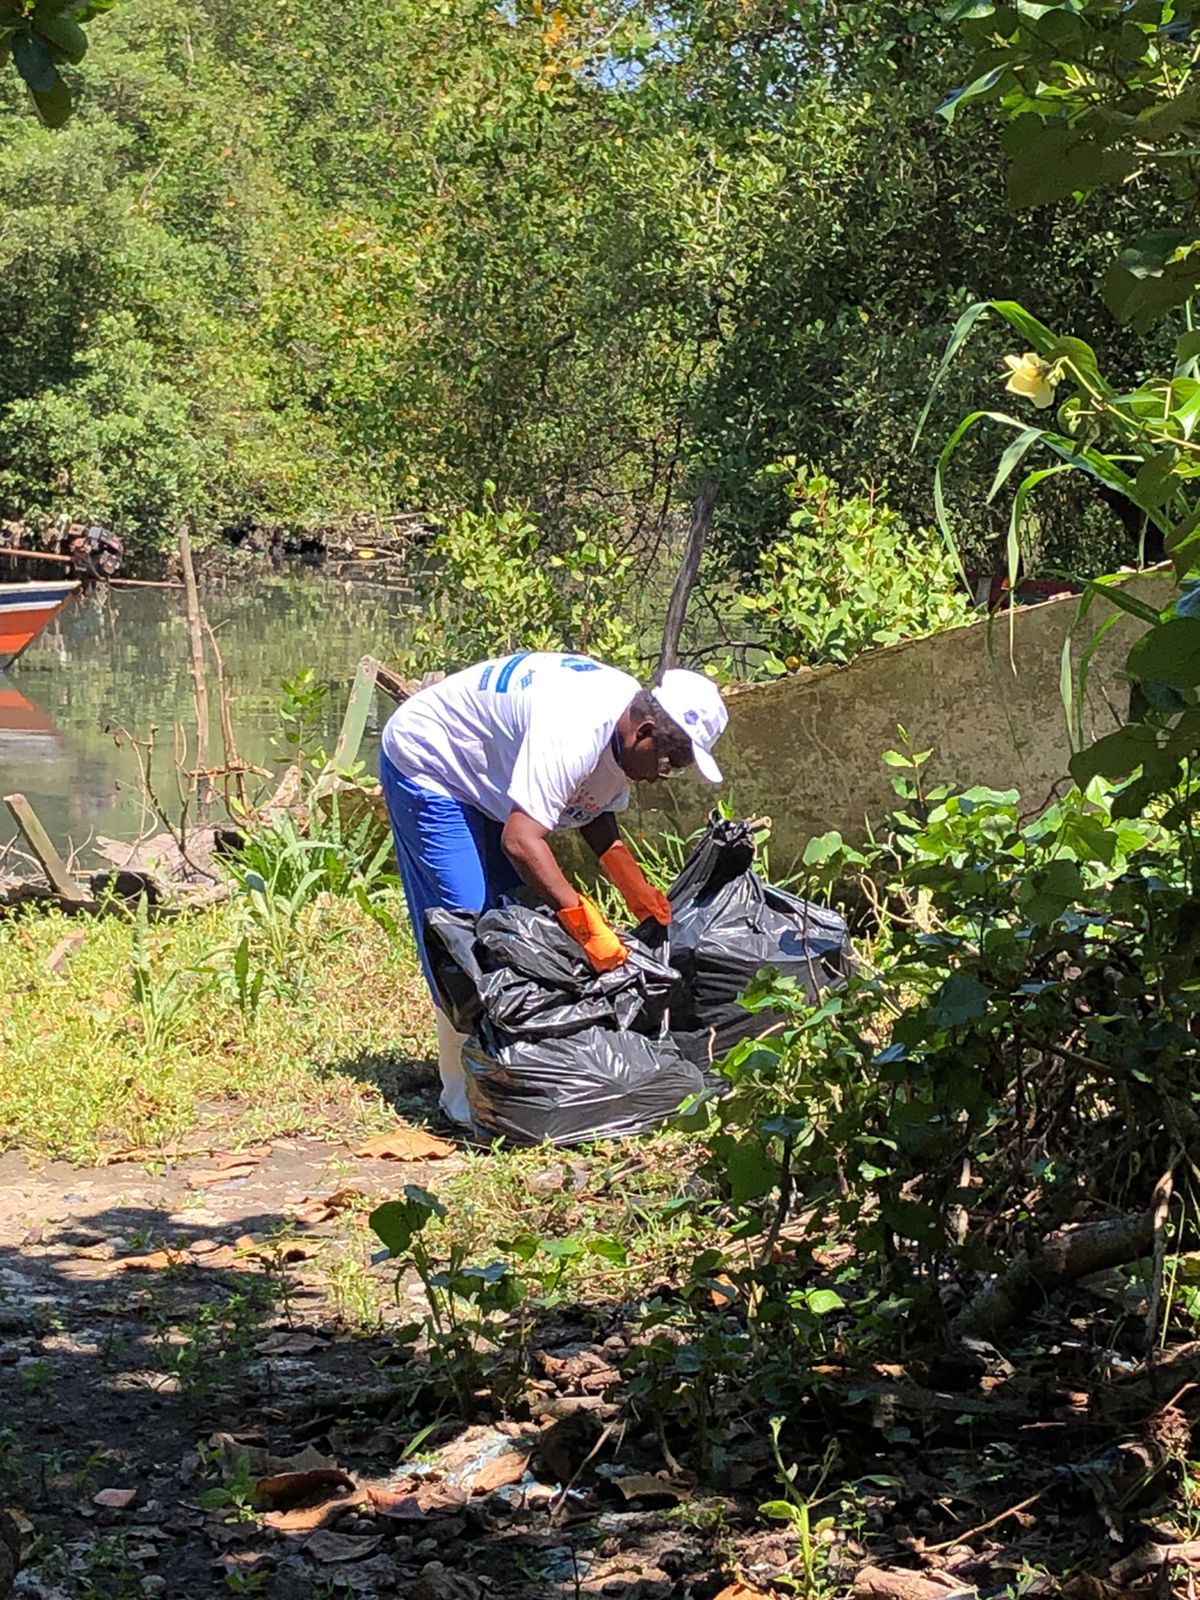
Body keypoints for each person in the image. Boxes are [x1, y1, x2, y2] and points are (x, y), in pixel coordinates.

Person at [379, 651, 729, 1123]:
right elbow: (522, 843)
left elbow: (591, 808)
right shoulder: (577, 726)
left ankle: (506, 1067)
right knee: (462, 928)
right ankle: (463, 1095)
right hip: (433, 762)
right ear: (644, 732)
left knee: (505, 922)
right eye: (667, 764)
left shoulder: (623, 726)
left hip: (492, 778)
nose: (658, 777)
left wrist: (634, 886)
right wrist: (587, 927)